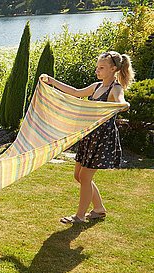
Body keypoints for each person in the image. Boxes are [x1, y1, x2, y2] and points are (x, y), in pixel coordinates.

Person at [40, 51, 133, 224]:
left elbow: (121, 101)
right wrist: (51, 81)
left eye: (102, 68)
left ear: (113, 69)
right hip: (89, 135)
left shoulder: (115, 88)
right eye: (97, 67)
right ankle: (98, 209)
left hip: (103, 138)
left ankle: (80, 216)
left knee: (85, 177)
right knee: (79, 176)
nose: (97, 71)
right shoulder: (96, 87)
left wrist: (124, 105)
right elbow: (76, 92)